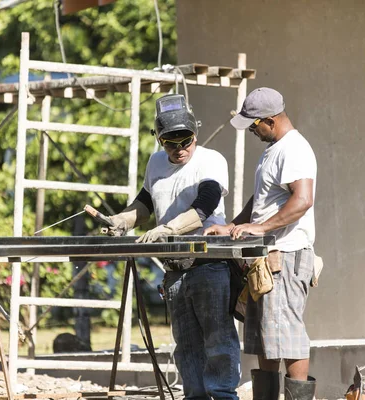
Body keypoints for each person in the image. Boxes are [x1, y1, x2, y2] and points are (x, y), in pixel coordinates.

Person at [104, 94, 241, 400]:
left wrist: (168, 229)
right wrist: (123, 220)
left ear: (196, 134)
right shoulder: (155, 163)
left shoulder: (210, 160)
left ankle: (222, 397)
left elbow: (206, 204)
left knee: (218, 342)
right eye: (170, 144)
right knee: (188, 345)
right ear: (159, 140)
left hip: (208, 264)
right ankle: (194, 397)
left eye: (186, 142)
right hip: (175, 270)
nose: (179, 150)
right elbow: (145, 203)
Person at [204, 87, 317, 400]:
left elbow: (303, 200)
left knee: (288, 335)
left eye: (254, 126)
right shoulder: (275, 149)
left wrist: (261, 228)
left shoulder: (294, 148)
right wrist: (235, 226)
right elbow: (263, 200)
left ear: (270, 120)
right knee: (266, 338)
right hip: (266, 257)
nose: (253, 131)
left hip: (287, 254)